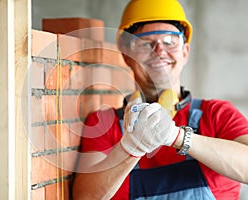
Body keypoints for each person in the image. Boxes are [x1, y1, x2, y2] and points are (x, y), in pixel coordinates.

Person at [72, 0, 248, 199]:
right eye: (146, 43)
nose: (160, 51)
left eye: (169, 42)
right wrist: (130, 147)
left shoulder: (217, 114)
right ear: (126, 55)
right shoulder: (104, 123)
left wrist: (177, 136)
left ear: (185, 51)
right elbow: (84, 197)